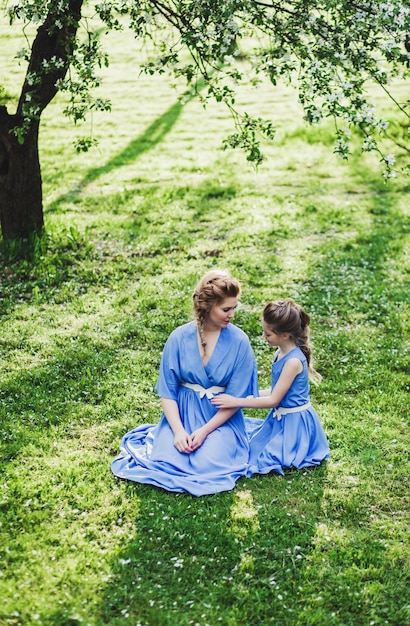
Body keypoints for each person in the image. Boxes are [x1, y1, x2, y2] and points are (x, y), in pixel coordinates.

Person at [111, 269, 259, 496]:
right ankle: (173, 439)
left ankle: (215, 444)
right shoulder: (179, 337)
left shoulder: (240, 341)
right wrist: (178, 431)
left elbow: (236, 398)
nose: (232, 314)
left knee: (208, 462)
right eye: (226, 309)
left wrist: (204, 432)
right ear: (208, 306)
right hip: (182, 414)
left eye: (234, 308)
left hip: (219, 418)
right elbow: (168, 391)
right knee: (167, 458)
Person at [211, 298, 330, 476]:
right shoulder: (281, 352)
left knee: (261, 457)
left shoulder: (293, 361)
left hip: (294, 424)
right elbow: (275, 391)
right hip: (280, 419)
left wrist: (236, 401)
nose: (264, 337)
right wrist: (247, 394)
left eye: (268, 334)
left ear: (285, 335)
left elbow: (274, 400)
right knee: (250, 445)